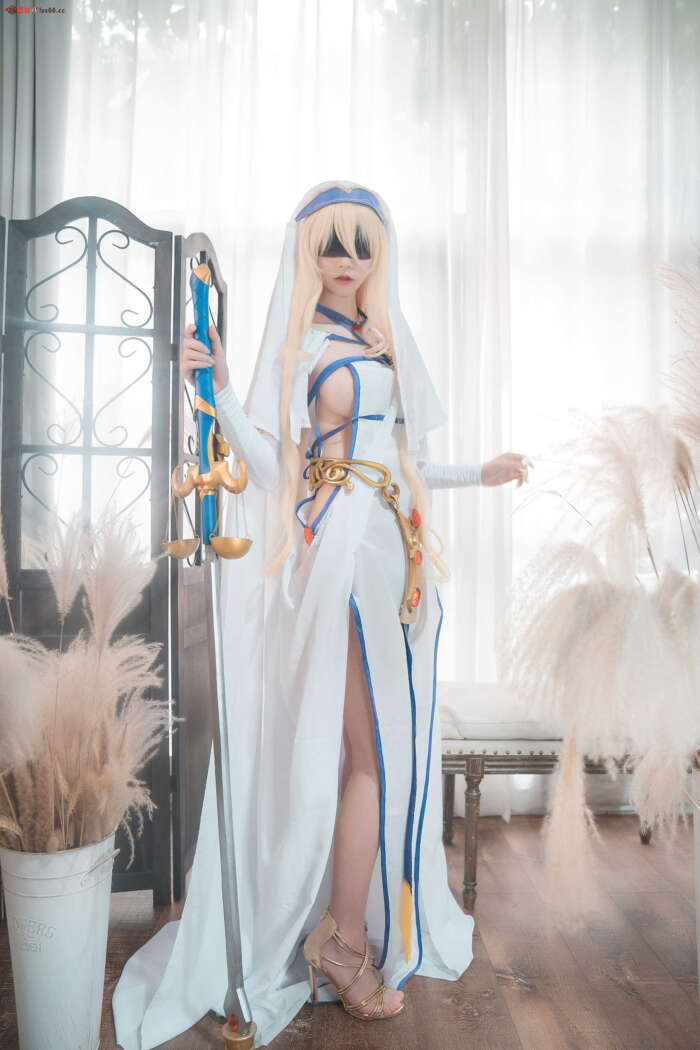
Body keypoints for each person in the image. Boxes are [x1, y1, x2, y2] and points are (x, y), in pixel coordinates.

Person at [112, 180, 532, 1048]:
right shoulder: (300, 347)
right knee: (367, 754)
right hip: (337, 555)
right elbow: (276, 469)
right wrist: (219, 387)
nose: (347, 260)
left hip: (393, 554)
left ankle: (343, 929)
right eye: (332, 244)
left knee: (378, 755)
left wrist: (480, 475)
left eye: (362, 245)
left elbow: (403, 464)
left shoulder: (381, 338)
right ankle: (339, 945)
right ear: (308, 250)